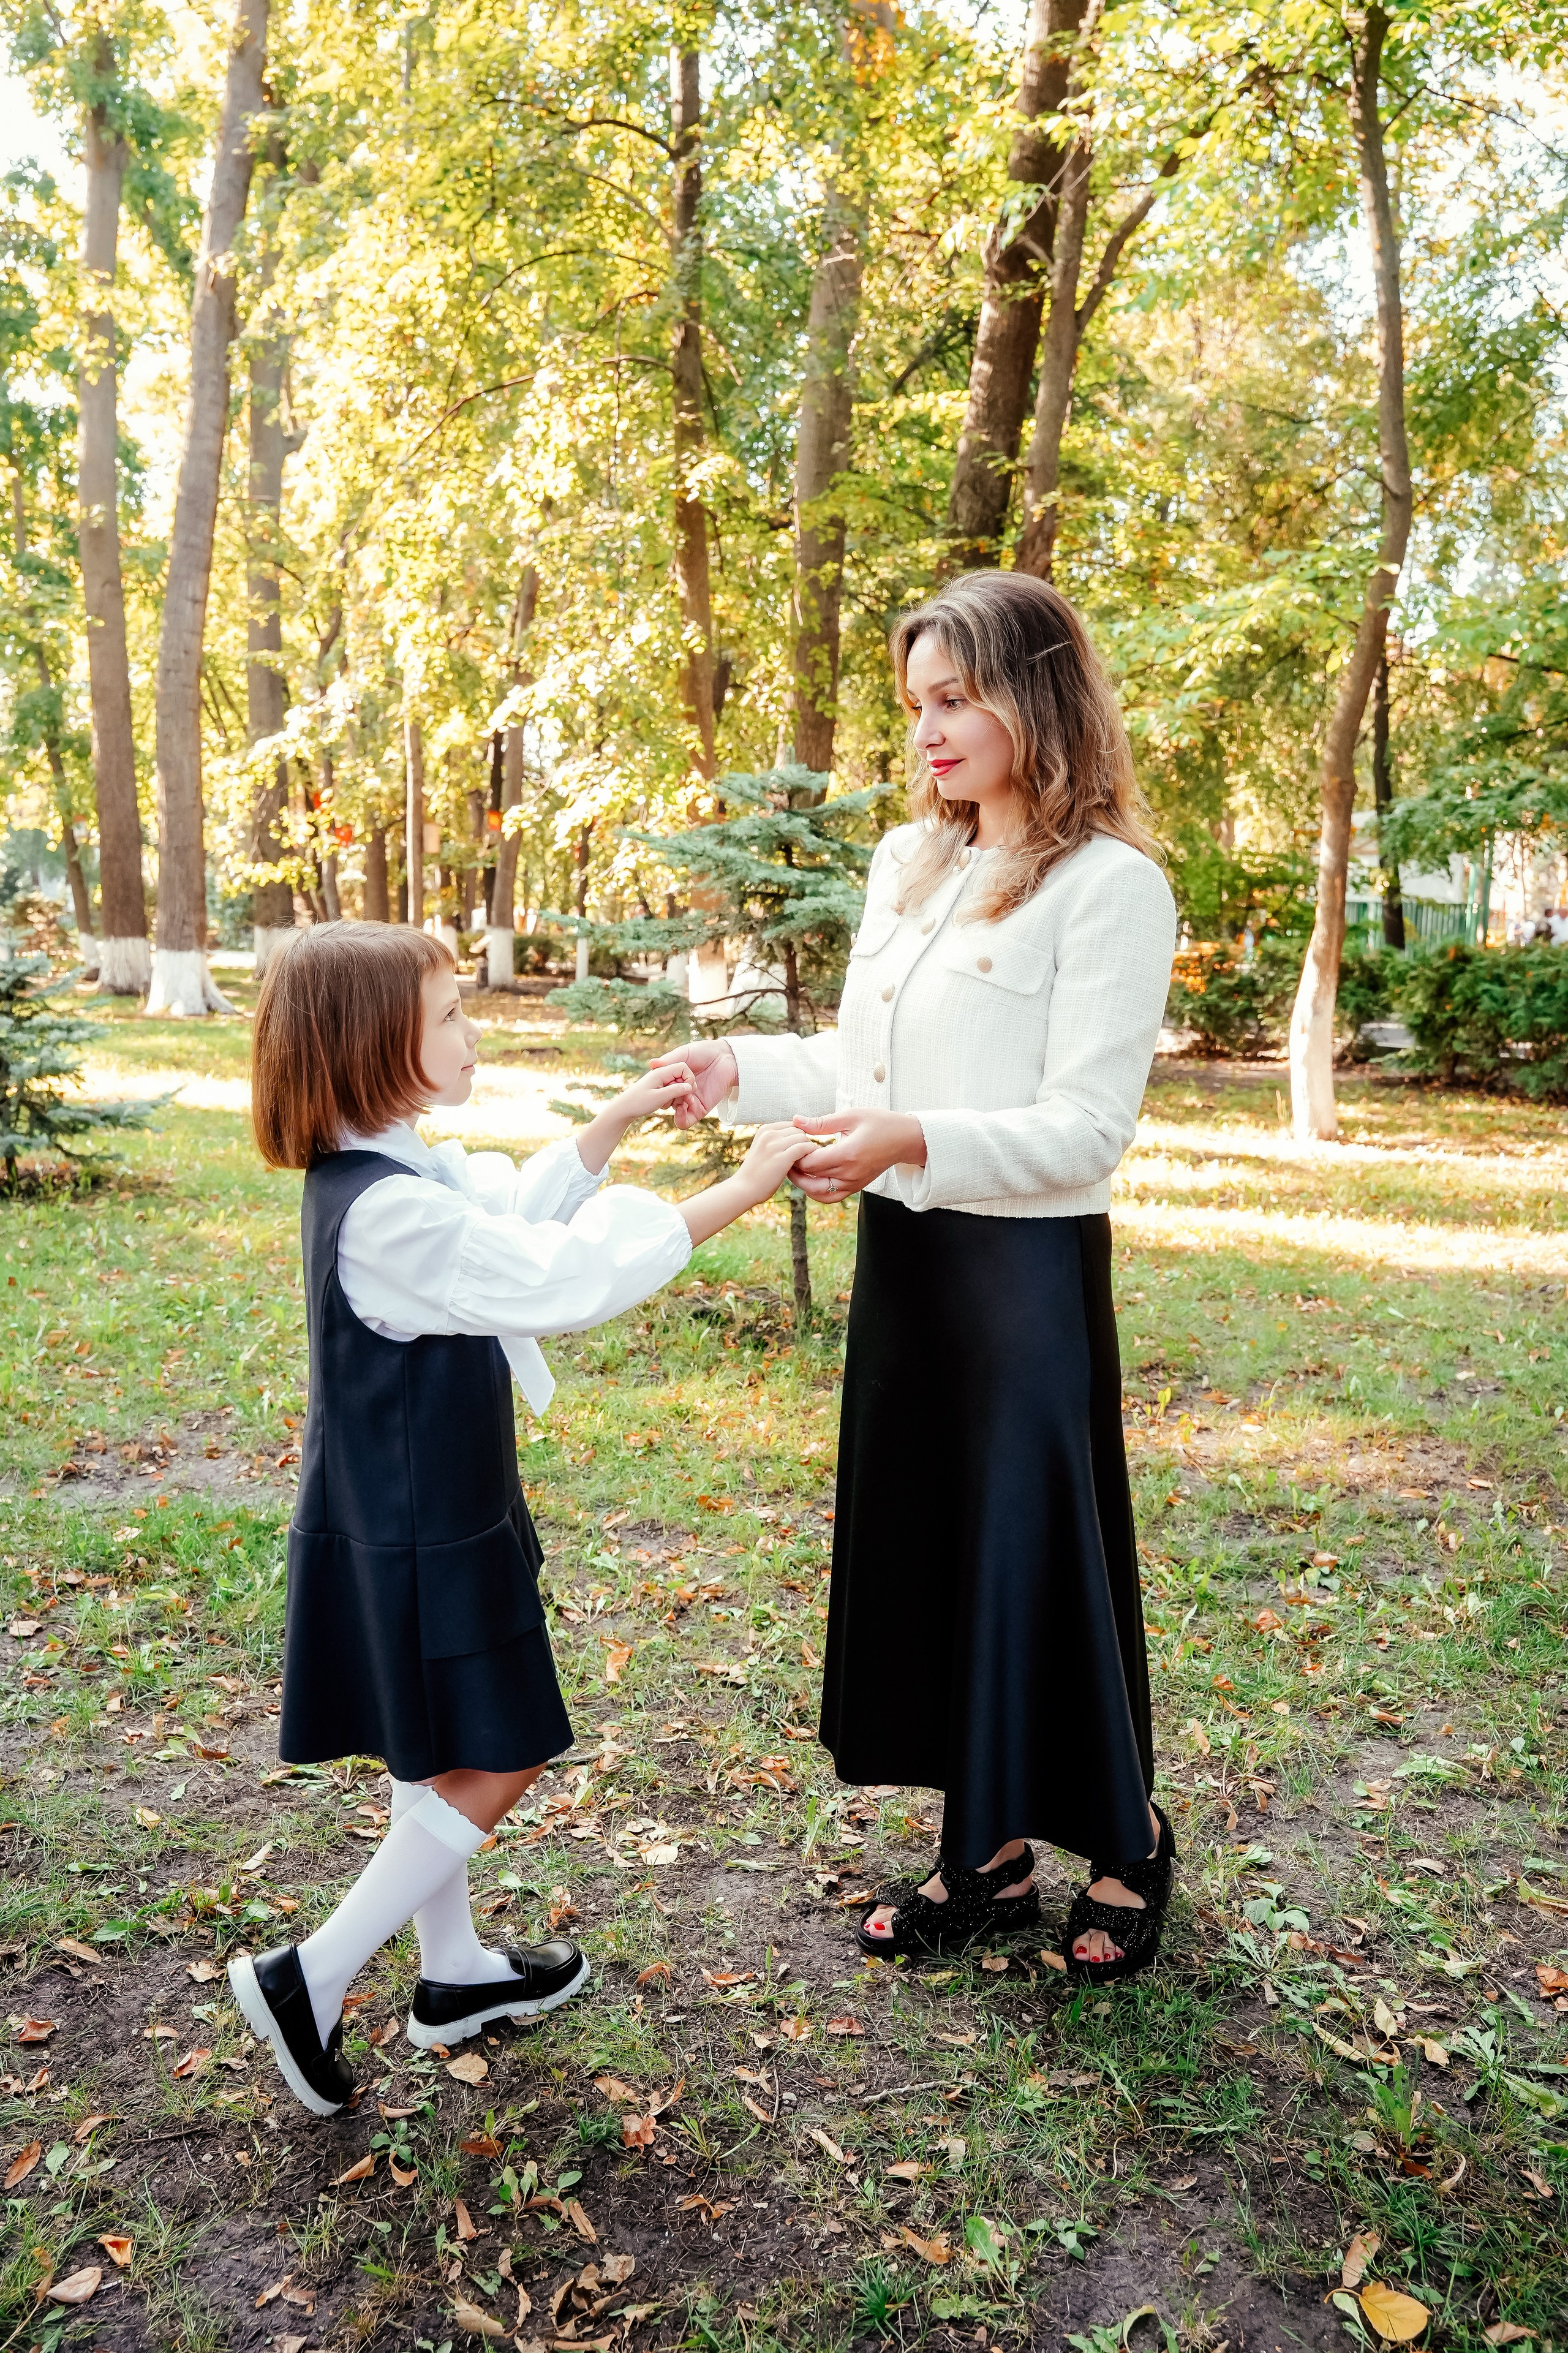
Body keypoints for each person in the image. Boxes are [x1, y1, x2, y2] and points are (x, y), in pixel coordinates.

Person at [657, 572, 1178, 1982]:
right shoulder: (910, 863)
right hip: (908, 1264)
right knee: (938, 1557)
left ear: (1035, 696)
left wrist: (912, 1140)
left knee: (1033, 1560)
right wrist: (739, 1072)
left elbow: (1085, 1128)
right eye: (917, 707)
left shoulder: (1111, 888)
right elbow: (860, 1067)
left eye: (955, 700)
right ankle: (990, 1857)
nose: (930, 733)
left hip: (1019, 1280)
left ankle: (1126, 1842)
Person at [233, 923, 810, 2114]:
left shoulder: (392, 1166)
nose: (470, 1030)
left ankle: (451, 1975)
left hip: (420, 1509)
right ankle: (314, 1974)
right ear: (372, 1046)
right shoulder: (387, 1212)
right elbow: (557, 1277)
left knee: (434, 1742)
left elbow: (502, 1210)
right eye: (447, 1016)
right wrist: (739, 1189)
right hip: (417, 1527)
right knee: (501, 1748)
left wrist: (610, 1124)